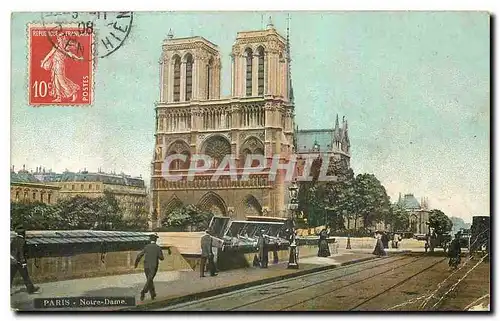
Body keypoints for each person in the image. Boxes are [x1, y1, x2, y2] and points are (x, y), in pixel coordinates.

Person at [40, 32, 83, 103]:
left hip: (59, 65)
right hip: (55, 65)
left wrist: (78, 58)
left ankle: (73, 92)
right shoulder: (56, 46)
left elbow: (71, 54)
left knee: (61, 81)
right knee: (56, 82)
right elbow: (49, 54)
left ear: (63, 38)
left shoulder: (65, 47)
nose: (59, 39)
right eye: (58, 37)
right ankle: (58, 97)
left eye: (60, 37)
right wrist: (44, 62)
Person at [134, 234, 165, 301]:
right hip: (153, 267)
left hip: (146, 266)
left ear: (150, 240)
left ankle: (153, 294)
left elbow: (139, 255)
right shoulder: (158, 247)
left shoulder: (146, 247)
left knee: (149, 280)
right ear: (156, 240)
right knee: (150, 279)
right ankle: (143, 291)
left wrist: (136, 264)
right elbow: (162, 258)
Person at [11, 225, 40, 294]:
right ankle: (31, 290)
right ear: (23, 233)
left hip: (12, 261)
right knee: (25, 276)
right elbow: (21, 252)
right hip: (20, 262)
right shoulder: (22, 241)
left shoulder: (14, 240)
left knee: (10, 276)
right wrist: (23, 262)